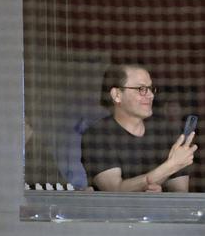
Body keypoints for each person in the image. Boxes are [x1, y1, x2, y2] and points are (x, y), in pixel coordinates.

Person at [80, 63, 196, 192]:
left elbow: (180, 194)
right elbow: (114, 191)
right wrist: (171, 166)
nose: (151, 95)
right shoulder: (97, 135)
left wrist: (160, 195)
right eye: (141, 89)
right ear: (117, 95)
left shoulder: (165, 131)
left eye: (150, 88)